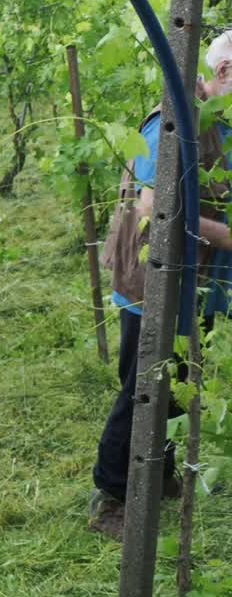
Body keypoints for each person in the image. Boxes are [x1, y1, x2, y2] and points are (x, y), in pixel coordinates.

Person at [89, 32, 232, 541]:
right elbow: (153, 206)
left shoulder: (219, 119)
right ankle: (110, 495)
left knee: (178, 379)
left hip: (197, 281)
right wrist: (227, 236)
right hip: (153, 280)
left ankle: (160, 473)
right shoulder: (174, 119)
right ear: (224, 72)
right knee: (144, 387)